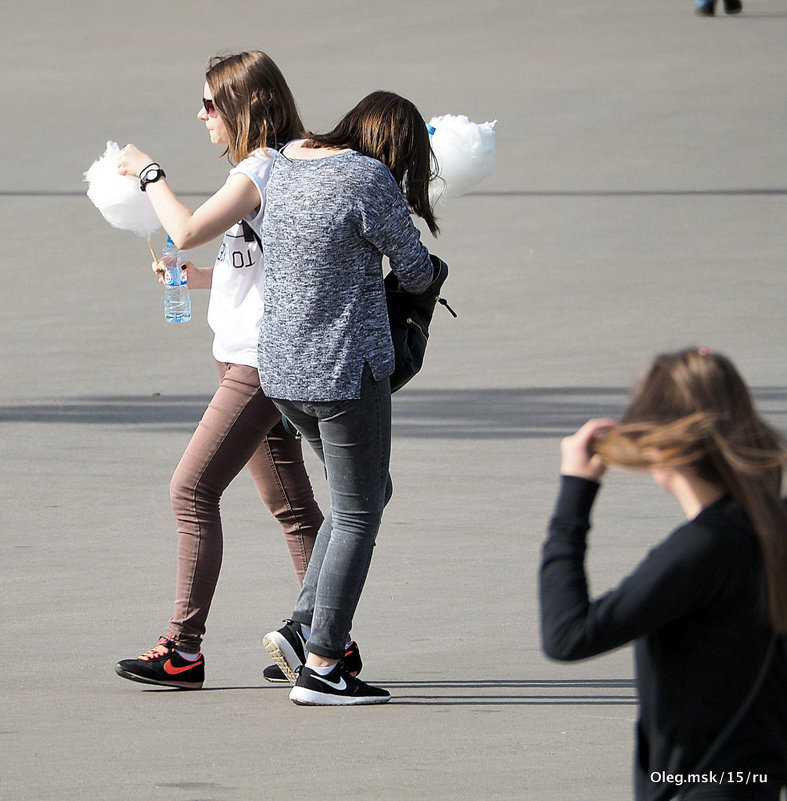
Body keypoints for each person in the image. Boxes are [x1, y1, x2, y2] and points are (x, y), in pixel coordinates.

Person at [112, 50, 347, 690]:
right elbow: (259, 267)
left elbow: (184, 228)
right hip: (249, 359)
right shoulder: (272, 170)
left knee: (191, 491)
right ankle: (333, 645)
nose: (201, 115)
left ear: (243, 106)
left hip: (256, 367)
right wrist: (198, 280)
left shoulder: (261, 171)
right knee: (294, 507)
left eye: (210, 104)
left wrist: (148, 173)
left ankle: (183, 649)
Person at [540, 348, 787, 800]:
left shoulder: (704, 549)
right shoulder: (771, 526)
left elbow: (568, 634)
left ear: (658, 442)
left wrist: (575, 494)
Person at [259, 91, 440, 705]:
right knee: (361, 510)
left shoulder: (286, 161)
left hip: (281, 373)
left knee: (364, 491)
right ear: (398, 145)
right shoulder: (367, 178)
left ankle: (303, 623)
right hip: (343, 373)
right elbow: (415, 271)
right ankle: (324, 665)